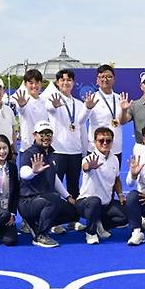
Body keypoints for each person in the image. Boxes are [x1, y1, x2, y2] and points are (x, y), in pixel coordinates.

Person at [17, 121, 79, 248]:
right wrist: (33, 172)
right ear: (35, 135)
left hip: (44, 199)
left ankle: (36, 223)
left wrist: (68, 197)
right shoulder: (29, 153)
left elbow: (54, 178)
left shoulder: (50, 153)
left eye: (49, 133)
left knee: (74, 211)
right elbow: (23, 173)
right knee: (53, 199)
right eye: (42, 133)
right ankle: (40, 236)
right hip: (28, 201)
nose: (46, 137)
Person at [46, 69, 97, 200]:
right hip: (58, 151)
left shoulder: (79, 104)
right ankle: (54, 217)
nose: (65, 82)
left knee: (74, 187)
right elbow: (50, 108)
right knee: (54, 187)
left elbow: (81, 123)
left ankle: (73, 218)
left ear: (73, 82)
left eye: (69, 80)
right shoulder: (52, 99)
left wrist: (88, 108)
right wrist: (55, 105)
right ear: (57, 82)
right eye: (62, 80)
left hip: (75, 152)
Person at [76, 127, 128, 244]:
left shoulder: (114, 159)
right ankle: (91, 232)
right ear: (95, 142)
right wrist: (89, 167)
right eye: (101, 140)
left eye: (108, 141)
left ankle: (99, 223)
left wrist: (120, 194)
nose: (105, 143)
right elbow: (85, 167)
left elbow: (117, 179)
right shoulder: (89, 159)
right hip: (86, 203)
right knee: (95, 201)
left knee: (125, 215)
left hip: (105, 205)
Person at [87, 65, 125, 166]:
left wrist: (124, 110)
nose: (105, 79)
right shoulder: (92, 99)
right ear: (97, 80)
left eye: (109, 76)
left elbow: (123, 121)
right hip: (96, 148)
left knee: (114, 179)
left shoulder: (119, 99)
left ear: (113, 79)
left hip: (115, 148)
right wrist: (88, 108)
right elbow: (80, 121)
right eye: (102, 77)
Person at [11, 69, 49, 153]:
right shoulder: (24, 100)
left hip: (44, 148)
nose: (34, 86)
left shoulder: (46, 101)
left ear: (41, 83)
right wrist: (21, 105)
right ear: (25, 84)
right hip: (27, 148)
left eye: (37, 82)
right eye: (31, 83)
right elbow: (21, 110)